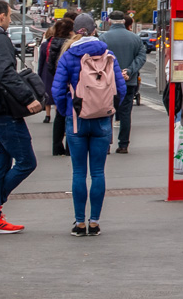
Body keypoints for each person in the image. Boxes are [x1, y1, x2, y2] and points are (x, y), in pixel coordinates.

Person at [52, 13, 126, 237]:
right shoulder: (107, 54)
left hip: (76, 121)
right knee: (98, 172)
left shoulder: (68, 55)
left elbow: (57, 90)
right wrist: (108, 109)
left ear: (76, 30)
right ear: (94, 30)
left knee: (78, 173)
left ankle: (79, 223)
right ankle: (94, 222)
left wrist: (68, 111)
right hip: (102, 120)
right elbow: (120, 89)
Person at [0, 0, 44, 234]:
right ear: (2, 17)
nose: (8, 19)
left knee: (2, 162)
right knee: (26, 161)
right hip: (6, 110)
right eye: (8, 15)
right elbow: (6, 72)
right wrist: (28, 98)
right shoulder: (0, 39)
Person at [100, 10, 146, 153]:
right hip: (129, 81)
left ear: (109, 21)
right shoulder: (135, 38)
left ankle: (106, 144)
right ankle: (123, 144)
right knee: (125, 113)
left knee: (107, 113)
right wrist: (129, 71)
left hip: (108, 82)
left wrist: (115, 73)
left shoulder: (103, 38)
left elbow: (99, 60)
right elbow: (141, 57)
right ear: (124, 22)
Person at [43, 17, 76, 156]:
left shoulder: (52, 42)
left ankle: (56, 147)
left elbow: (49, 64)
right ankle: (70, 148)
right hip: (71, 83)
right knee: (71, 115)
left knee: (60, 115)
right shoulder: (71, 44)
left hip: (58, 80)